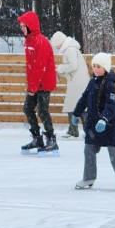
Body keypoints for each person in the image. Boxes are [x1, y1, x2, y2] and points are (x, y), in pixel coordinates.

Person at [73, 52, 115, 191]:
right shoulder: (92, 81)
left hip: (110, 123)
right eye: (93, 66)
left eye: (98, 66)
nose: (95, 69)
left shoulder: (109, 84)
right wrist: (76, 113)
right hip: (93, 123)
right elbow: (84, 98)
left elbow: (111, 105)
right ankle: (89, 177)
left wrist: (105, 119)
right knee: (88, 149)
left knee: (113, 151)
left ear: (105, 67)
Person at [17, 11, 58, 155]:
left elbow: (40, 67)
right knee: (28, 108)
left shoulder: (42, 42)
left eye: (24, 26)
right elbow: (31, 66)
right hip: (35, 83)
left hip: (44, 83)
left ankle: (52, 140)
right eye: (21, 26)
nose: (22, 28)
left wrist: (33, 87)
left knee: (42, 110)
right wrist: (31, 85)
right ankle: (37, 138)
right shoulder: (29, 40)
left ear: (30, 26)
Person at [50, 30, 91, 139]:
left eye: (56, 44)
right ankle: (83, 131)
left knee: (75, 107)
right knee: (76, 107)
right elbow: (72, 68)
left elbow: (73, 66)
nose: (56, 47)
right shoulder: (70, 49)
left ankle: (80, 131)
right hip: (78, 82)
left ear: (60, 42)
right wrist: (61, 71)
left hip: (78, 83)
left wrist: (60, 68)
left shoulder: (69, 50)